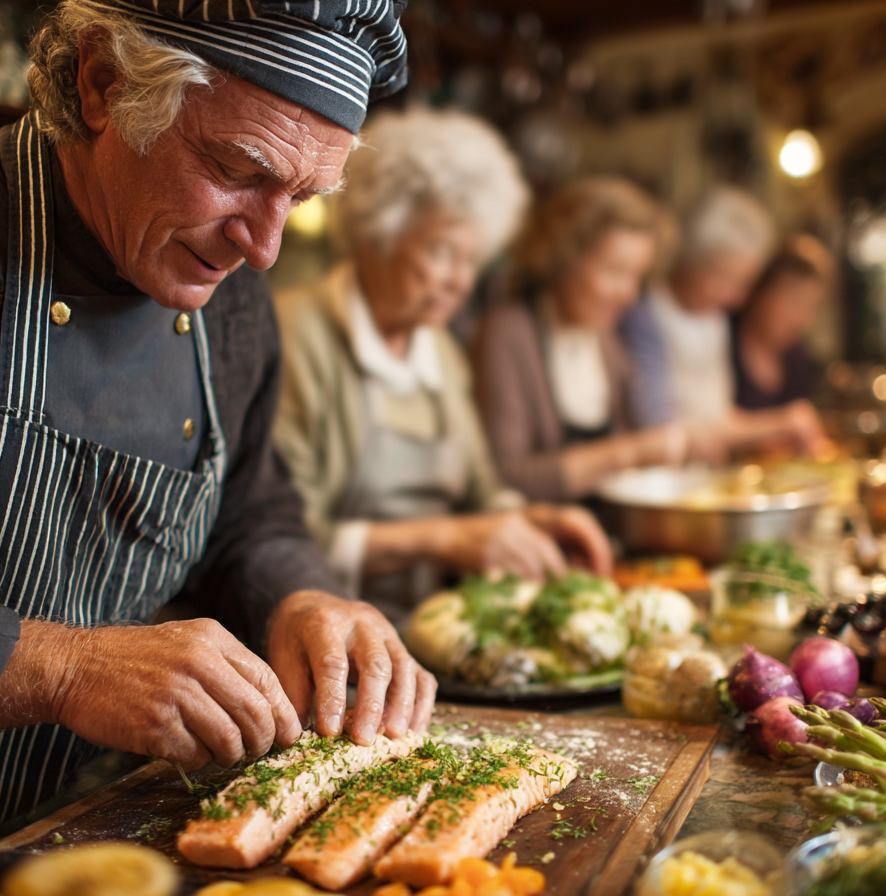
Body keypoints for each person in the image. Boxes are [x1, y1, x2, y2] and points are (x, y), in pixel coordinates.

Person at [0, 0, 433, 872]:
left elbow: (249, 515)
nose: (266, 247)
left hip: (99, 852)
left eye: (302, 198)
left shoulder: (232, 302)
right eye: (238, 168)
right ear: (104, 82)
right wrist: (58, 668)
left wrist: (300, 597)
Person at [273, 110, 611, 624]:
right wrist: (443, 539)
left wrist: (532, 521)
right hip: (318, 625)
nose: (460, 282)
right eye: (441, 252)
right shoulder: (296, 332)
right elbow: (277, 537)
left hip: (426, 625)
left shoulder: (441, 350)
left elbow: (480, 493)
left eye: (472, 260)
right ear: (374, 236)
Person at [472, 177, 722, 503]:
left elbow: (645, 432)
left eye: (637, 276)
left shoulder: (605, 342)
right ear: (561, 256)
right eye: (614, 272)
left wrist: (683, 443)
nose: (629, 295)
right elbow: (506, 478)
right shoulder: (507, 333)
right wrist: (629, 453)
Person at [621, 186, 829, 455]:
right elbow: (661, 432)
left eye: (743, 283)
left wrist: (776, 430)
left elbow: (716, 414)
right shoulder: (644, 315)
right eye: (726, 280)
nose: (737, 299)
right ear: (691, 260)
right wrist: (779, 423)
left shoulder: (713, 317)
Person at [732, 235, 834, 411]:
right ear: (760, 290)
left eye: (810, 307)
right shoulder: (721, 344)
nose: (802, 321)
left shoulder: (796, 360)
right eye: (794, 301)